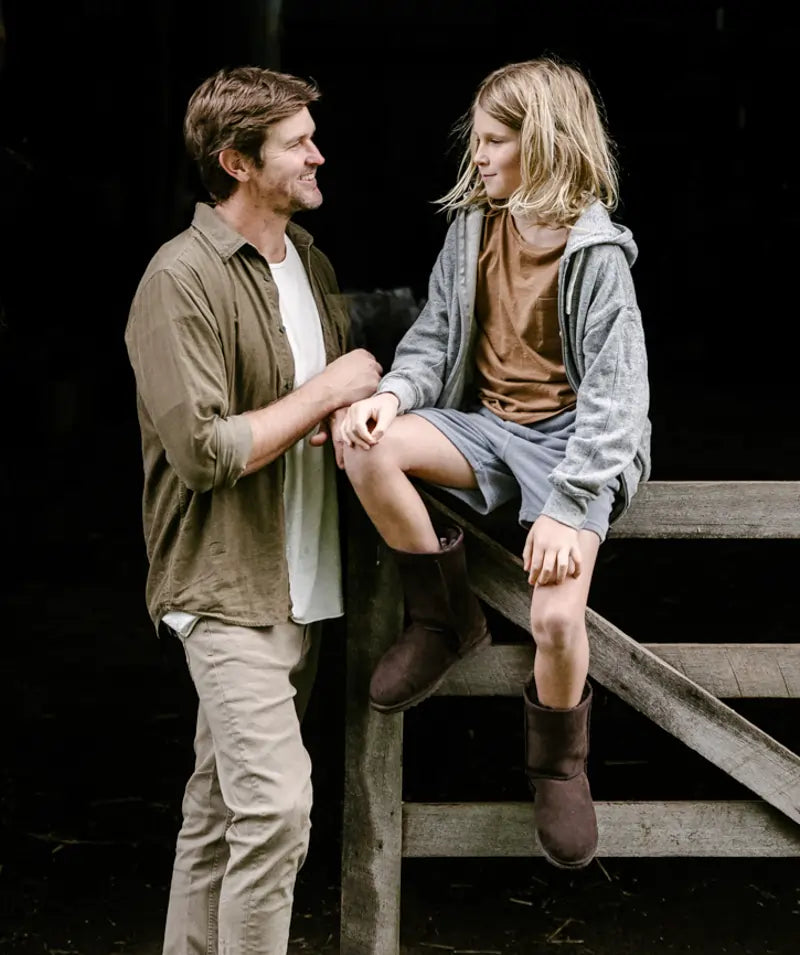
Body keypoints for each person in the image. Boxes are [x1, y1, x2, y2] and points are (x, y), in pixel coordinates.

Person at [340, 57, 651, 870]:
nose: (476, 156)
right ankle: (444, 618)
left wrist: (572, 507)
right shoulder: (475, 229)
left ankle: (558, 763)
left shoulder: (598, 257)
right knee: (362, 442)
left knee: (554, 618)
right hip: (486, 428)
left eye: (492, 141)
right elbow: (435, 339)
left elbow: (619, 404)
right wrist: (396, 397)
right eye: (475, 141)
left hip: (572, 451)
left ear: (542, 144)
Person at [124, 66, 381, 954]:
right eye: (296, 142)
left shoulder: (308, 264)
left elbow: (330, 404)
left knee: (221, 810)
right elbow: (203, 453)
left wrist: (353, 404)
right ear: (236, 162)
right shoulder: (179, 279)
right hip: (227, 586)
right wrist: (329, 391)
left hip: (301, 584)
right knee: (275, 809)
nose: (318, 152)